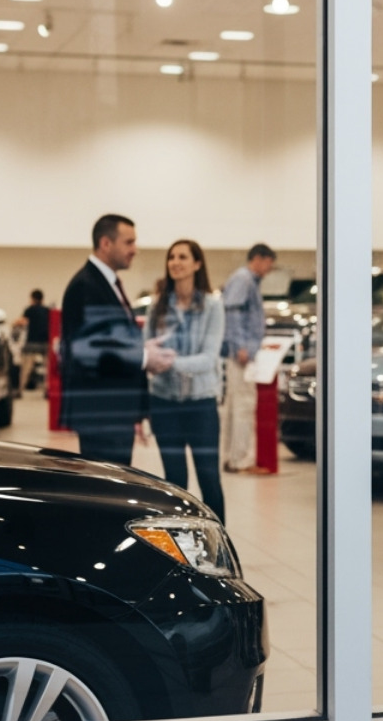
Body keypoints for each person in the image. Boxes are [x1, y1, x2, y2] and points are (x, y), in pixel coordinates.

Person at [59, 214, 174, 464]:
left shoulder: (105, 283)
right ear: (106, 244)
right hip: (101, 411)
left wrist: (141, 348)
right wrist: (144, 357)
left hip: (113, 409)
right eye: (129, 242)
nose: (135, 249)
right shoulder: (86, 286)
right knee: (105, 492)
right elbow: (88, 351)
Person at [147, 240, 227, 521]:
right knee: (174, 482)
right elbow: (148, 350)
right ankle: (183, 550)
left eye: (182, 257)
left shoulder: (212, 307)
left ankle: (219, 550)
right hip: (163, 403)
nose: (175, 262)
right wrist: (153, 360)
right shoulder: (158, 306)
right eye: (171, 257)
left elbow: (208, 359)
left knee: (209, 479)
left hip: (201, 404)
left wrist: (167, 362)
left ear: (197, 264)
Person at [221, 242, 277, 473]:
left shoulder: (245, 280)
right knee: (243, 405)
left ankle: (232, 457)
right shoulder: (244, 279)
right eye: (268, 264)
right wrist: (241, 346)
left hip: (239, 353)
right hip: (240, 355)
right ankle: (241, 460)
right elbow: (232, 314)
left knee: (235, 406)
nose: (268, 270)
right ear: (259, 259)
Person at [16, 289, 50, 393]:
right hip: (45, 342)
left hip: (32, 342)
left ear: (32, 298)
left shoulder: (29, 310)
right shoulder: (47, 310)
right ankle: (47, 389)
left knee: (26, 367)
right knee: (47, 368)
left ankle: (20, 389)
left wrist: (13, 324)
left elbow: (21, 322)